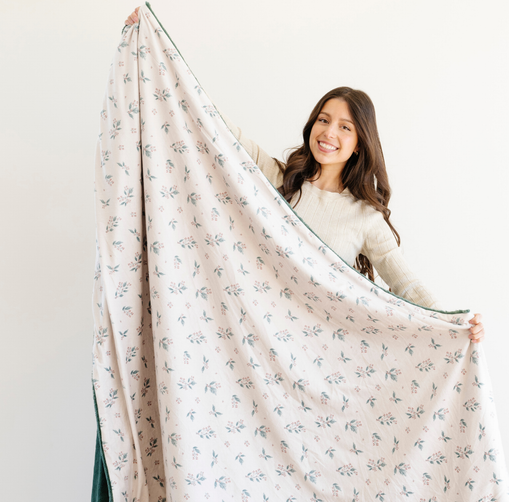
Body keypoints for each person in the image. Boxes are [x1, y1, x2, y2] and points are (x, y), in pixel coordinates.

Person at [124, 8, 485, 343]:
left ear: (359, 144)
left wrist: (453, 323)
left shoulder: (364, 218)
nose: (329, 133)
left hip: (316, 350)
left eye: (345, 127)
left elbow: (405, 284)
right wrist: (158, 49)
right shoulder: (278, 179)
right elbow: (217, 125)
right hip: (254, 333)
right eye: (324, 120)